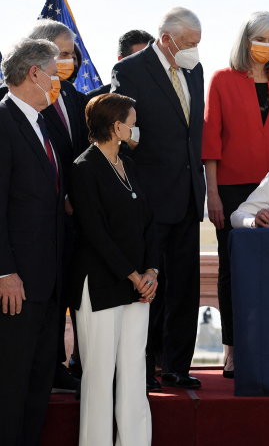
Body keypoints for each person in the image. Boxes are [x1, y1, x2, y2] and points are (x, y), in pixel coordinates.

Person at [111, 6, 205, 391]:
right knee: (149, 288)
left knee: (185, 287)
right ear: (166, 40)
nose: (194, 51)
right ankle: (142, 367)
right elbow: (123, 133)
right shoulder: (131, 70)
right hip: (150, 197)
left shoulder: (194, 70)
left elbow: (190, 133)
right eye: (188, 43)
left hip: (187, 196)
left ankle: (177, 366)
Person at [203, 11, 269, 378]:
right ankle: (233, 349)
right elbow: (211, 140)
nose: (267, 46)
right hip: (231, 190)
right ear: (245, 41)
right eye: (260, 38)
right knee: (233, 270)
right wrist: (213, 195)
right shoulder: (222, 80)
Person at [70, 93, 158, 446]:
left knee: (134, 374)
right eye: (132, 121)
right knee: (100, 377)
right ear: (115, 126)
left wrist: (151, 272)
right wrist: (133, 275)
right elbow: (95, 232)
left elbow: (150, 223)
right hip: (101, 285)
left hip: (138, 287)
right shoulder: (83, 167)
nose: (136, 128)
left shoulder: (129, 165)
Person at [12, 20, 90, 394]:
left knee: (64, 292)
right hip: (23, 260)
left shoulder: (62, 107)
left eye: (71, 55)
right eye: (57, 58)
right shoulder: (7, 113)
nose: (67, 63)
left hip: (62, 243)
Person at [0, 38, 66, 445]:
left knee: (39, 381)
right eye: (54, 74)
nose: (57, 82)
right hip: (17, 283)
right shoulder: (3, 121)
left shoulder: (43, 123)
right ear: (33, 74)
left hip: (49, 279)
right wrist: (5, 270)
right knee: (11, 384)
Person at [88, 30, 154, 98]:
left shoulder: (163, 89)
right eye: (139, 58)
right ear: (121, 60)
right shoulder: (95, 99)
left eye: (151, 58)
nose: (148, 63)